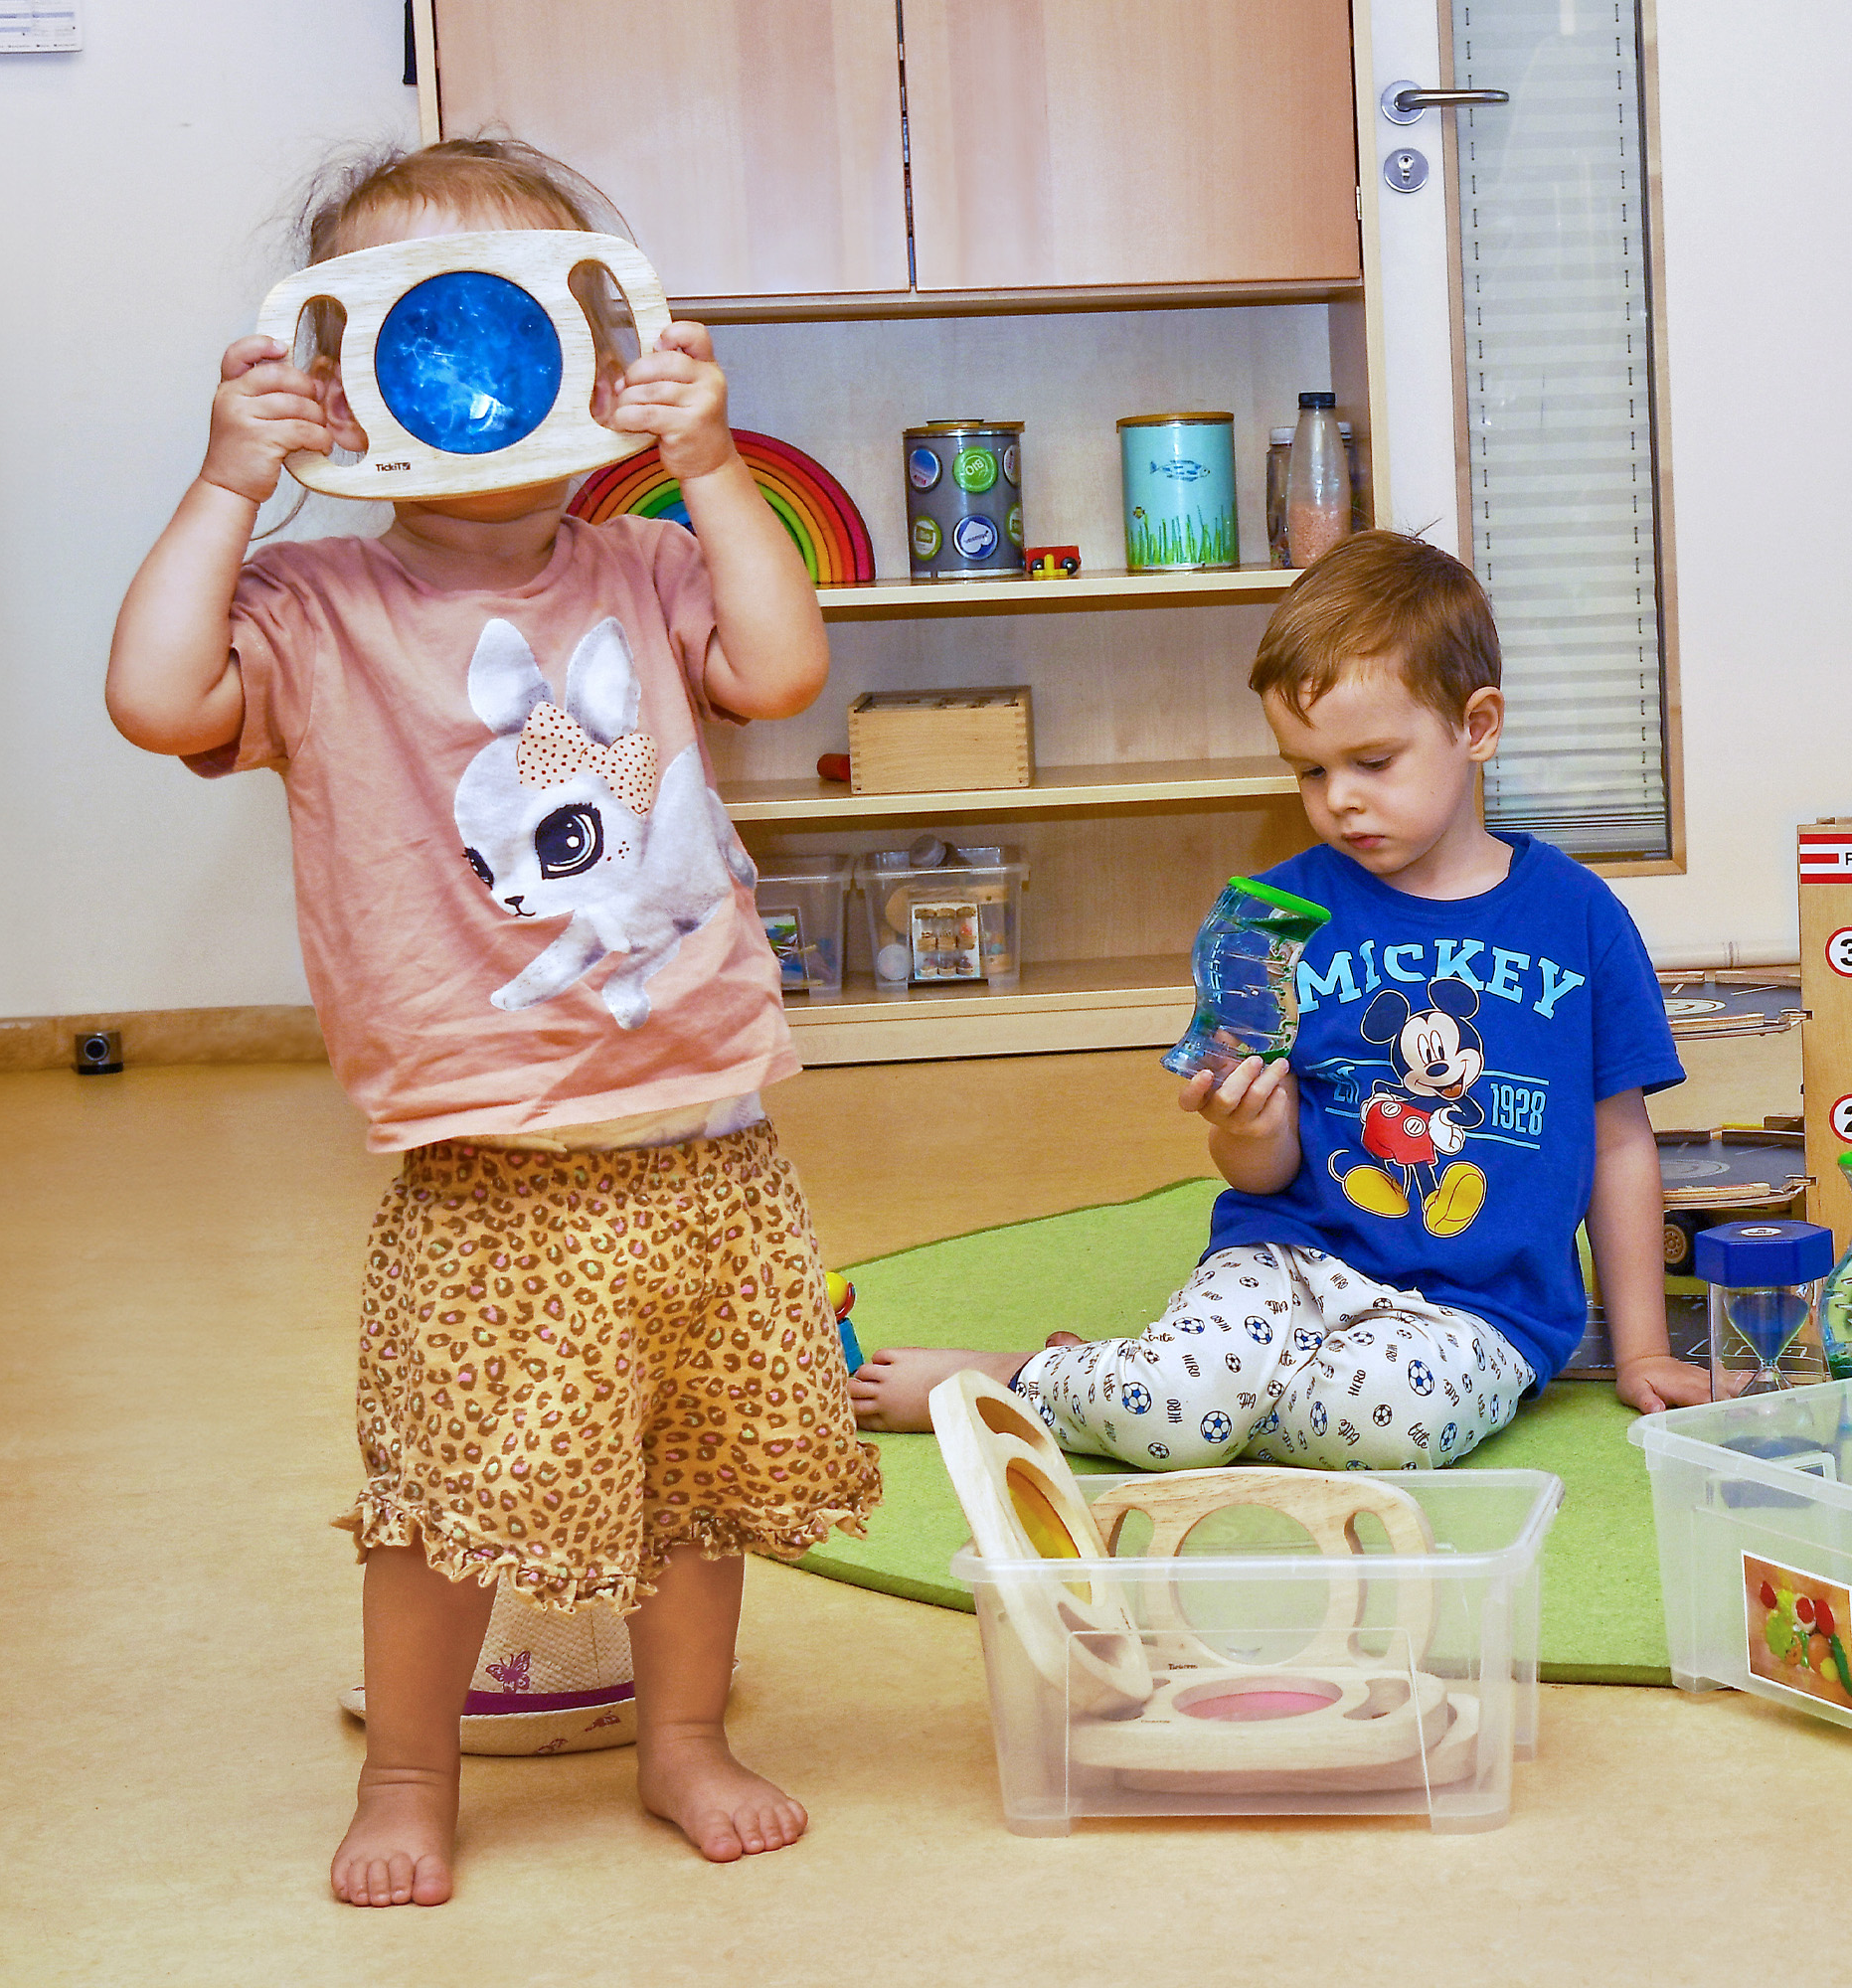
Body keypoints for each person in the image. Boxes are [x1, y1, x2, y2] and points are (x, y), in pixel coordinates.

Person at [106, 138, 880, 1906]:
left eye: (517, 318)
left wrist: (709, 465)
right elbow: (158, 695)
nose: (474, 372)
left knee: (697, 1479)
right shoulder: (315, 610)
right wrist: (232, 483)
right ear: (345, 365)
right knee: (444, 1497)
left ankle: (683, 1737)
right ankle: (407, 1766)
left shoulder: (651, 573)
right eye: (422, 326)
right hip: (488, 1161)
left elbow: (778, 672)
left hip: (704, 1129)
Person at [850, 531, 1707, 1466]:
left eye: (1372, 762)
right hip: (1287, 1258)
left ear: (1477, 726)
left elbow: (1618, 1142)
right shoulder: (1270, 922)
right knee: (1171, 1415)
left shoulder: (1579, 917)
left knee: (1386, 1426)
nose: (1337, 799)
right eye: (1308, 769)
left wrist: (1644, 1349)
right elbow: (1256, 1173)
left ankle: (1155, 1381)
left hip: (1481, 1309)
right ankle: (1030, 1382)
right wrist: (1247, 1127)